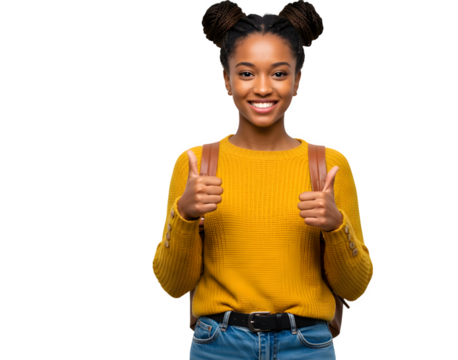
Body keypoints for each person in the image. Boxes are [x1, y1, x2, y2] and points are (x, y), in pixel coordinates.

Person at [151, 1, 374, 359]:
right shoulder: (194, 163)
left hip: (307, 346)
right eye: (246, 73)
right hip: (218, 345)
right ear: (226, 79)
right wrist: (185, 215)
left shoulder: (329, 165)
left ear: (298, 79)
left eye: (280, 73)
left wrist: (336, 227)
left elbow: (356, 288)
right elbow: (173, 286)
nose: (263, 88)